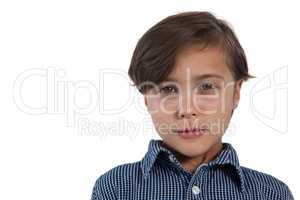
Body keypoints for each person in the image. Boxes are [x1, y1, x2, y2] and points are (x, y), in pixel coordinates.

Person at [91, 11, 294, 199]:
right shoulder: (116, 188)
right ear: (145, 98)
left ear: (236, 92)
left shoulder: (271, 194)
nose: (187, 110)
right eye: (168, 89)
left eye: (206, 86)